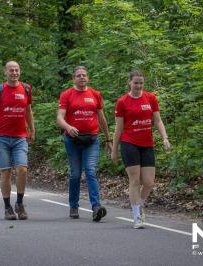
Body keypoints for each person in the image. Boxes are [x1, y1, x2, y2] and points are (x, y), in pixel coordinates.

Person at [111, 69, 170, 229]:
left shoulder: (150, 98)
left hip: (147, 144)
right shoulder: (122, 102)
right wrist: (114, 150)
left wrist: (164, 137)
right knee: (135, 181)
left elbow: (157, 120)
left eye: (141, 83)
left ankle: (139, 203)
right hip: (129, 143)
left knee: (149, 182)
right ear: (129, 83)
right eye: (135, 82)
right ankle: (137, 216)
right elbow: (118, 129)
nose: (138, 85)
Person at [57, 66, 112, 222]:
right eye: (78, 75)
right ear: (73, 78)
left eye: (84, 75)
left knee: (90, 171)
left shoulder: (95, 94)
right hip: (72, 140)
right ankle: (74, 206)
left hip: (91, 140)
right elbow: (59, 118)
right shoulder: (66, 95)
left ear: (88, 77)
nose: (82, 78)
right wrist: (68, 127)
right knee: (75, 174)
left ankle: (96, 207)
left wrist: (108, 139)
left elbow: (101, 119)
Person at [0, 61, 35, 220]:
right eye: (11, 70)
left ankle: (19, 203)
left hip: (20, 137)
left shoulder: (26, 88)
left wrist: (32, 129)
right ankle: (7, 207)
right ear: (5, 72)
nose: (14, 73)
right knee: (5, 172)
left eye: (17, 70)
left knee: (22, 169)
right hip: (1, 137)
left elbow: (28, 111)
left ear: (20, 71)